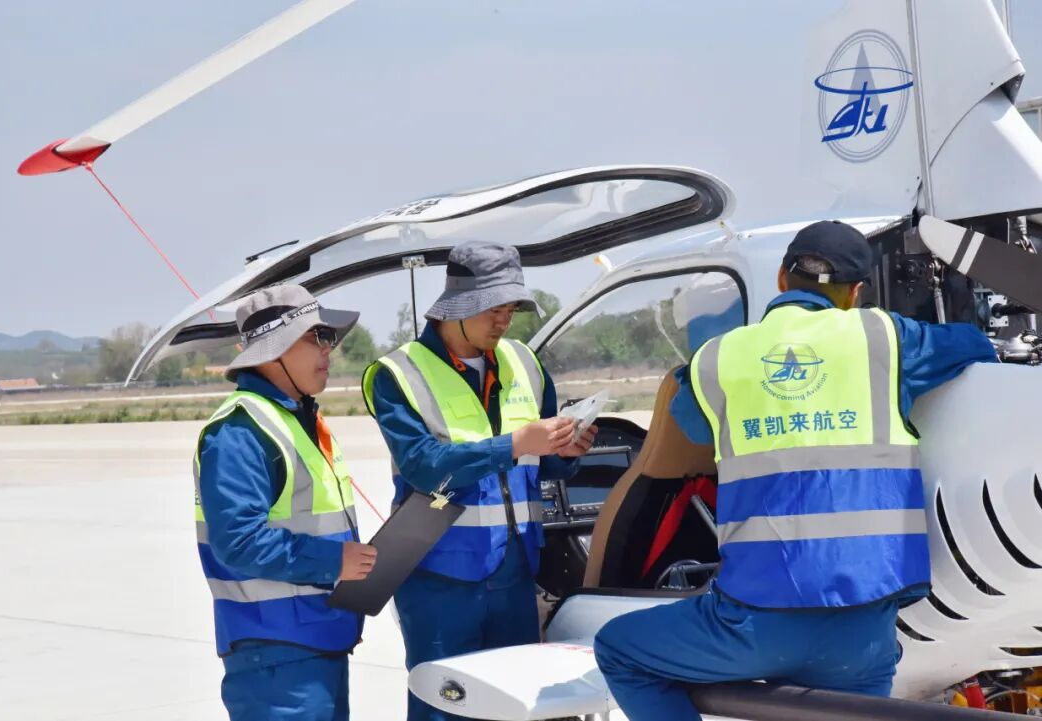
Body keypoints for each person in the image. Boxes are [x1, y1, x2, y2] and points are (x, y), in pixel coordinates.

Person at [593, 220, 998, 721]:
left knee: (619, 649)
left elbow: (693, 427)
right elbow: (974, 346)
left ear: (782, 278)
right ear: (856, 292)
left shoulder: (715, 359)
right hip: (862, 634)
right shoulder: (884, 338)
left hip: (753, 626)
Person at [362, 240, 597, 721]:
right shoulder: (396, 373)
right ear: (457, 306)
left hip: (515, 570)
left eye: (510, 309)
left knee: (516, 705)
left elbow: (539, 465)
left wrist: (565, 452)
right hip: (438, 576)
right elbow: (423, 465)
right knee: (442, 706)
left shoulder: (525, 364)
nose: (504, 321)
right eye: (493, 308)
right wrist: (515, 443)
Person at [194, 283, 378, 721]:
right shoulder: (240, 431)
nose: (328, 349)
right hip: (276, 653)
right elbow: (238, 542)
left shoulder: (297, 419)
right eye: (317, 337)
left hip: (317, 637)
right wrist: (335, 561)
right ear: (273, 350)